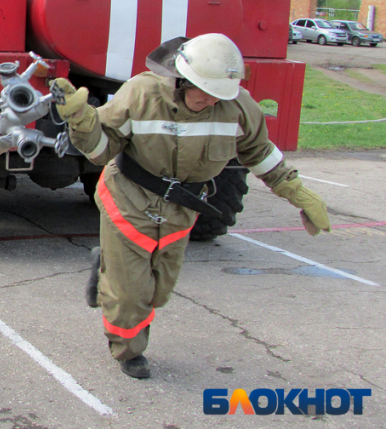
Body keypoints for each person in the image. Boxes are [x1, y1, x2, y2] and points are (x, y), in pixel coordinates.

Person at [55, 33, 331, 380]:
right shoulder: (141, 94)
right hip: (129, 199)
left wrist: (299, 194)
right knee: (131, 295)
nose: (210, 100)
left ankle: (107, 269)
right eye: (203, 90)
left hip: (181, 209)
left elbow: (260, 154)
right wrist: (82, 121)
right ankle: (128, 350)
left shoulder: (238, 106)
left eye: (219, 94)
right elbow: (100, 151)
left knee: (158, 292)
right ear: (181, 79)